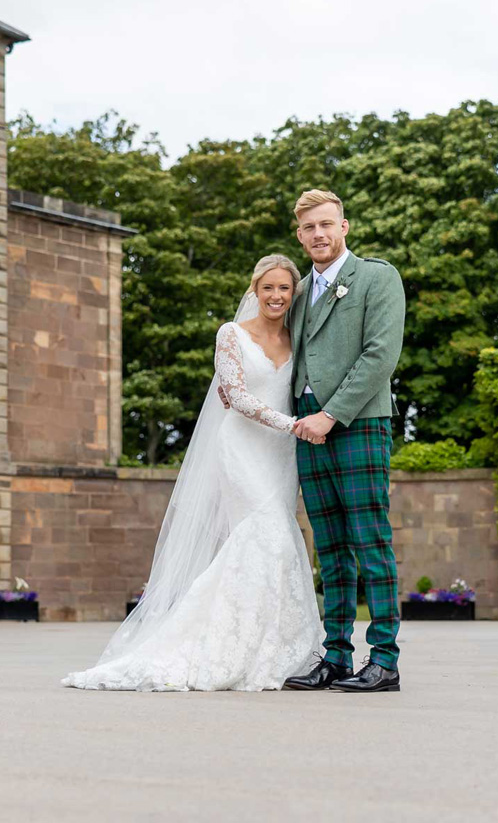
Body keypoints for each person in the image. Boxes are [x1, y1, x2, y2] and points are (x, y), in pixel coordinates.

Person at [62, 255, 321, 691]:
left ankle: (273, 642)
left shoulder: (300, 339)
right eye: (268, 288)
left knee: (278, 538)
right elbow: (235, 396)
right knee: (266, 530)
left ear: (294, 293)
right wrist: (290, 424)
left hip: (281, 456)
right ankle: (221, 644)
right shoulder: (231, 334)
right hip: (242, 447)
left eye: (284, 289)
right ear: (254, 291)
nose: (276, 296)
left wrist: (299, 427)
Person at [278, 189, 407, 693]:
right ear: (299, 235)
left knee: (369, 541)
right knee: (329, 548)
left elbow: (380, 356)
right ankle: (334, 656)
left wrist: (331, 414)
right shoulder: (296, 290)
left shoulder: (378, 277)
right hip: (305, 424)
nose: (319, 235)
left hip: (357, 420)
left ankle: (384, 661)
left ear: (344, 227)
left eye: (326, 225)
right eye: (309, 228)